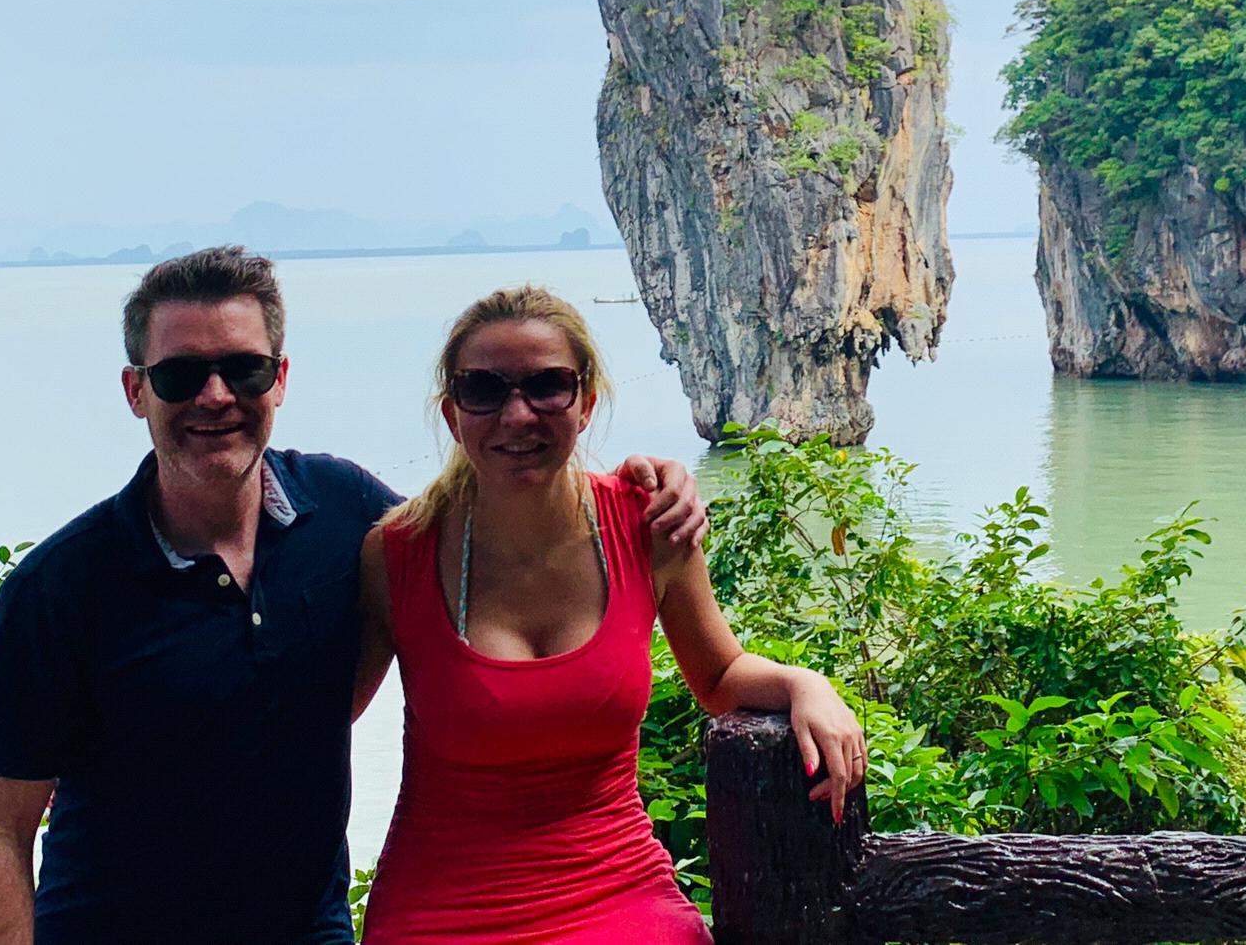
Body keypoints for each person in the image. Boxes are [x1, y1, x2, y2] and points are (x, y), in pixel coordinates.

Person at [0, 246, 706, 945]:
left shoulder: (346, 514)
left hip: (307, 929)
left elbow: (491, 529)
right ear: (135, 390)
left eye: (244, 370)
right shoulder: (63, 588)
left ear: (280, 380)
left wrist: (640, 489)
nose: (215, 397)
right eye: (181, 376)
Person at [352, 284, 866, 944]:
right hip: (443, 904)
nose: (517, 415)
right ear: (453, 415)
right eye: (484, 390)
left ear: (586, 402)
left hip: (615, 889)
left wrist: (805, 684)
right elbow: (322, 720)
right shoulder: (399, 555)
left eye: (547, 386)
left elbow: (720, 674)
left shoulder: (645, 524)